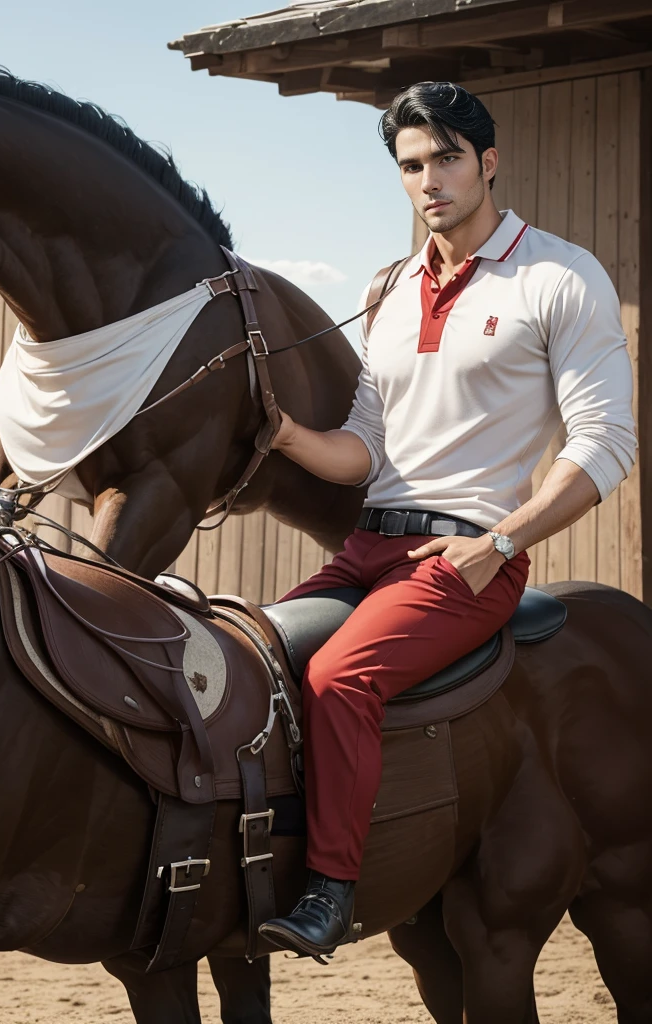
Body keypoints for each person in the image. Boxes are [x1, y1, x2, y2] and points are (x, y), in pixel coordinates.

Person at [257, 81, 637, 959]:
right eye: (410, 166)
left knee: (338, 678)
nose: (429, 180)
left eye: (446, 159)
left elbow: (607, 440)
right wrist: (281, 434)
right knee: (256, 658)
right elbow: (361, 448)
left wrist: (501, 541)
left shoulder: (558, 273)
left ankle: (330, 894)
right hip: (366, 546)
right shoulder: (388, 287)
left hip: (466, 554)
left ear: (487, 161)